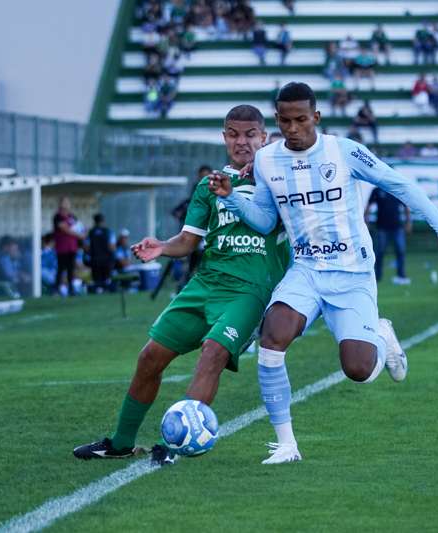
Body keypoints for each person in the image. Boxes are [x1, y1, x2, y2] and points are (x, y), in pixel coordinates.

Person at [209, 82, 438, 464]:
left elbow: (398, 184)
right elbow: (267, 220)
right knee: (272, 338)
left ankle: (382, 336)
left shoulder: (344, 151)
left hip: (352, 274)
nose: (293, 128)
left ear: (316, 117)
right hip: (306, 270)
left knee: (357, 369)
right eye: (285, 121)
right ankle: (286, 444)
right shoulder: (267, 161)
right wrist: (233, 199)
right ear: (277, 120)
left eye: (301, 119)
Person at [73, 105, 290, 465]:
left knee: (212, 353)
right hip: (204, 284)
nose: (242, 142)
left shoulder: (280, 179)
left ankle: (174, 445)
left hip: (248, 291)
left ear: (264, 137)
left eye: (250, 134)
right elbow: (188, 241)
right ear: (224, 138)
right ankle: (121, 442)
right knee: (149, 358)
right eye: (233, 134)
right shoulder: (210, 186)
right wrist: (161, 246)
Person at [367, 189, 411, 285]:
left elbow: (406, 206)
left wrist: (408, 223)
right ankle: (377, 277)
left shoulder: (395, 189)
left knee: (400, 251)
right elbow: (368, 207)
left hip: (397, 227)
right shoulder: (377, 190)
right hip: (381, 227)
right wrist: (366, 222)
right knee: (379, 253)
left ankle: (401, 276)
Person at [53, 196, 84, 297]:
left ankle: (71, 289)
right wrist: (78, 235)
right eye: (64, 202)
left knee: (71, 268)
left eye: (67, 202)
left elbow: (79, 227)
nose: (65, 204)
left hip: (72, 247)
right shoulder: (57, 217)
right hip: (62, 247)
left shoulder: (72, 216)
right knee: (61, 268)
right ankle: (56, 289)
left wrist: (83, 233)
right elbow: (64, 228)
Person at [85, 213, 116, 293]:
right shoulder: (108, 232)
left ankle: (99, 290)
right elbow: (111, 247)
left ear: (94, 221)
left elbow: (86, 247)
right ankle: (106, 290)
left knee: (97, 280)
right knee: (107, 279)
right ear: (103, 221)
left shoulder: (90, 233)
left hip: (95, 259)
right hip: (107, 260)